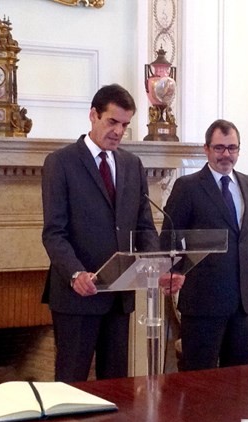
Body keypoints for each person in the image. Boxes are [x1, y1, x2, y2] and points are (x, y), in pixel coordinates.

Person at [41, 84, 184, 382]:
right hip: (78, 295)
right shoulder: (61, 163)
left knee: (116, 385)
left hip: (119, 295)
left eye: (125, 125)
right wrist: (75, 274)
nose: (119, 131)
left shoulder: (132, 165)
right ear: (93, 115)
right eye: (112, 122)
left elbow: (144, 225)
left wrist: (158, 267)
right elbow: (54, 232)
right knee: (71, 384)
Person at [162, 119, 248, 371]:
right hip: (203, 304)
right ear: (206, 149)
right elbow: (170, 239)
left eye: (232, 148)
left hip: (243, 303)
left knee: (240, 385)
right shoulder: (188, 187)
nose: (226, 154)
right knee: (199, 385)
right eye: (219, 148)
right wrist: (176, 273)